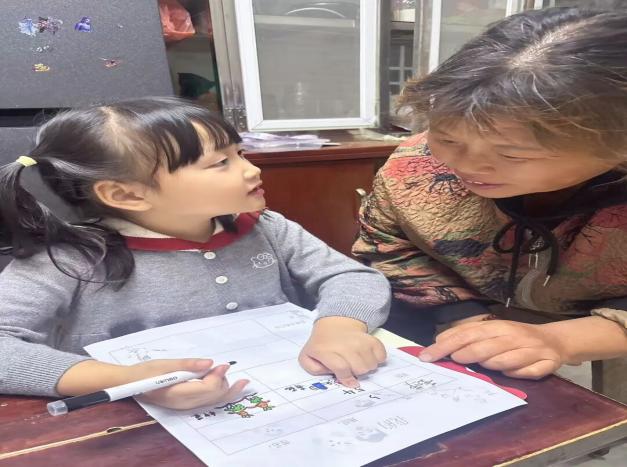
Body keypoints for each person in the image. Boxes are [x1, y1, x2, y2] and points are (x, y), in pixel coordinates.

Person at [0, 97, 390, 409]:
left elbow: (350, 276)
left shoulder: (266, 227)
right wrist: (125, 380)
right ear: (126, 194)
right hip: (127, 426)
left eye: (240, 153)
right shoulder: (68, 259)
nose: (251, 170)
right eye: (220, 163)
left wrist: (340, 326)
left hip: (280, 403)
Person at [353, 7, 627, 380]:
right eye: (447, 138)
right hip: (462, 329)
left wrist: (565, 339)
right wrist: (459, 315)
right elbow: (389, 243)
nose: (465, 165)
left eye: (512, 154)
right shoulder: (415, 168)